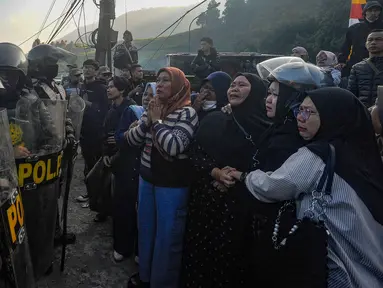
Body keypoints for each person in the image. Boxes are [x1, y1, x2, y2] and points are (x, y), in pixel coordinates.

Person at [230, 87, 383, 287]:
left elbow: (273, 186)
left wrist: (245, 176)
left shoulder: (317, 155)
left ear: (332, 115)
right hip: (371, 263)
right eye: (298, 110)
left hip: (337, 265)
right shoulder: (364, 153)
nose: (300, 118)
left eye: (309, 112)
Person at [181, 73, 271, 287]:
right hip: (206, 204)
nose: (234, 88)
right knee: (200, 259)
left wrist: (235, 177)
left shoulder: (267, 128)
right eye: (232, 85)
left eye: (242, 85)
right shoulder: (214, 120)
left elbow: (268, 165)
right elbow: (194, 153)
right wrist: (215, 173)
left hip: (240, 210)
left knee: (232, 263)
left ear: (256, 91)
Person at [126, 67, 198, 288]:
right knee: (146, 230)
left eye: (166, 80)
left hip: (172, 186)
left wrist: (157, 122)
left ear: (178, 85)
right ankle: (145, 277)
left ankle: (162, 283)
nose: (160, 84)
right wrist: (148, 119)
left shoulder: (188, 113)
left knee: (167, 238)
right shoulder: (154, 108)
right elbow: (132, 140)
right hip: (147, 180)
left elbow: (175, 146)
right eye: (158, 80)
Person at [111, 83, 154, 263]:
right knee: (124, 209)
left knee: (145, 213)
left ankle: (140, 249)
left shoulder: (167, 116)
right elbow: (118, 138)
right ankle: (122, 247)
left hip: (148, 172)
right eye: (145, 93)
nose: (147, 97)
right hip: (127, 169)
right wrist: (130, 132)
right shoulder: (132, 111)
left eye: (152, 95)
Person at [76, 59, 109, 205]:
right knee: (87, 164)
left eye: (90, 68)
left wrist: (86, 104)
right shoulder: (81, 86)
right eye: (85, 67)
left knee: (96, 166)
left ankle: (99, 199)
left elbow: (105, 110)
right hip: (84, 131)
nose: (87, 70)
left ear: (96, 71)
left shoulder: (101, 88)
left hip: (96, 133)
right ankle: (90, 194)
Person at [338, 1, 383, 77]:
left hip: (379, 65)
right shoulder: (354, 28)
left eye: (376, 10)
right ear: (365, 12)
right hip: (356, 63)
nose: (373, 13)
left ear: (379, 12)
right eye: (370, 10)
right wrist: (342, 61)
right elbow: (346, 46)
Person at [348, 29, 383, 108]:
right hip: (363, 113)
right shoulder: (357, 68)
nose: (373, 42)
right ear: (366, 44)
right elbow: (351, 95)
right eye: (370, 40)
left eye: (378, 39)